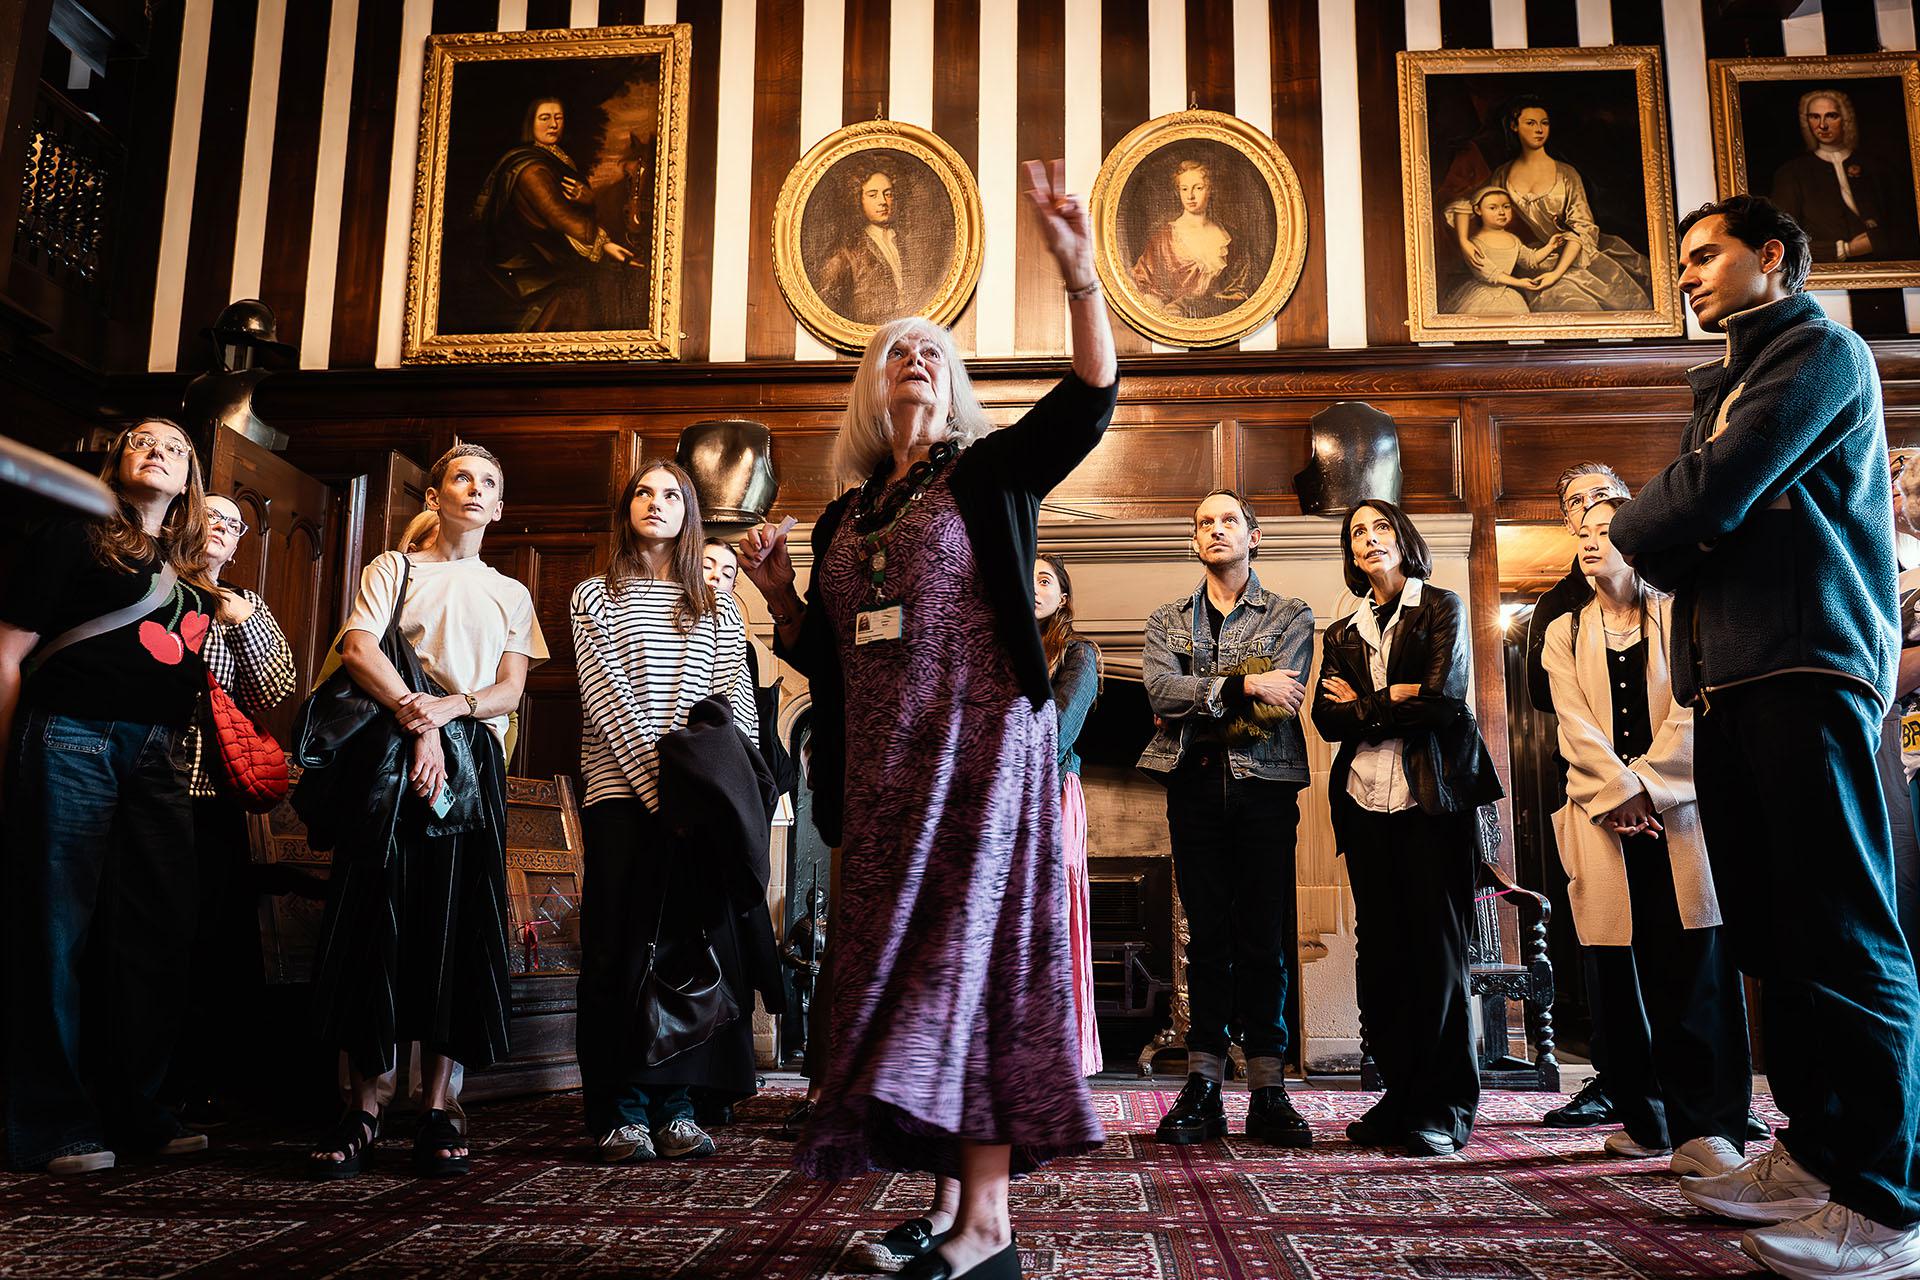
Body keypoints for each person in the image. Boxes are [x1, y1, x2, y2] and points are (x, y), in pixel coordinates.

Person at [737, 159, 1116, 1280]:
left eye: (936, 351)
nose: (917, 358)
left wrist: (1081, 273)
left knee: (973, 971)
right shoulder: (847, 514)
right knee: (909, 986)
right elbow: (839, 654)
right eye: (899, 348)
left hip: (984, 760)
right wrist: (780, 597)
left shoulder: (992, 475)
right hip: (885, 785)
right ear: (870, 384)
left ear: (954, 388)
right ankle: (953, 1210)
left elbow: (1089, 399)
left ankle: (988, 1223)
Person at [1609, 194, 1920, 1278]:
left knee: (1843, 936)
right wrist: (1691, 519)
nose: (1687, 274)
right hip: (1739, 680)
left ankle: (1884, 1199)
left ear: (1773, 257)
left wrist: (1676, 519)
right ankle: (1816, 1153)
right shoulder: (1740, 375)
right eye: (1683, 260)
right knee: (1778, 943)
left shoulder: (1818, 352)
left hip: (1808, 668)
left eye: (1706, 255)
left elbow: (1687, 506)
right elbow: (1693, 519)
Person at [306, 443, 548, 1180]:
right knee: (375, 925)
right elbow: (356, 650)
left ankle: (440, 1105)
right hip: (389, 760)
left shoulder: (510, 592)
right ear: (436, 495)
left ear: (500, 508)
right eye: (461, 478)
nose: (474, 490)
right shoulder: (393, 568)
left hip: (475, 771)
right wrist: (426, 722)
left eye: (489, 484)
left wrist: (450, 713)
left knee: (457, 931)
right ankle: (366, 1106)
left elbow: (509, 692)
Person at [0, 418, 219, 1174]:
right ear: (116, 461)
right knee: (55, 930)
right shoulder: (69, 537)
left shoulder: (188, 574)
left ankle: (136, 1109)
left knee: (153, 933)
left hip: (157, 756)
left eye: (173, 446)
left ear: (189, 476)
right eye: (140, 441)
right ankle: (51, 1123)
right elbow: (6, 655)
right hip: (70, 739)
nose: (156, 449)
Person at [1542, 495, 1751, 1176]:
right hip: (1606, 820)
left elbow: (1694, 711)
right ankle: (1647, 1119)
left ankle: (1709, 1128)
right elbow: (1573, 726)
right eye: (1583, 534)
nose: (1592, 542)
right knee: (1617, 977)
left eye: (1607, 532)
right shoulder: (1564, 632)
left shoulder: (1679, 614)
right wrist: (1618, 793)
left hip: (1678, 818)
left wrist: (1650, 786)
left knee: (1694, 973)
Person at [571, 462, 762, 1165]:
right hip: (623, 799)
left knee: (687, 953)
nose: (656, 503)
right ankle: (618, 1112)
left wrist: (715, 803)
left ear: (690, 515)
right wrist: (661, 804)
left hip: (696, 810)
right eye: (643, 493)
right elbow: (608, 701)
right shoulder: (596, 595)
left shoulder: (719, 603)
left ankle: (679, 1108)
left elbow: (730, 710)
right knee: (617, 952)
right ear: (626, 510)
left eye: (671, 494)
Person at [1311, 499, 1502, 1158]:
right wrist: (1394, 697)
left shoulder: (1442, 606)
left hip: (1433, 802)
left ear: (1403, 539)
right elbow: (1325, 721)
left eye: (1380, 527)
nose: (1369, 539)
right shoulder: (1341, 631)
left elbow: (1444, 700)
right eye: (1357, 532)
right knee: (1384, 960)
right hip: (1365, 806)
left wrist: (1369, 703)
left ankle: (1446, 1106)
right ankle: (1400, 1094)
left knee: (1437, 956)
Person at [1137, 491, 1314, 1148]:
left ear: (1254, 536)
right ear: (1194, 541)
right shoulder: (1165, 620)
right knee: (1206, 938)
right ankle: (1204, 1084)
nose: (1216, 529)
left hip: (1265, 789)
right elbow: (1158, 690)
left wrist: (1199, 697)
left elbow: (1283, 703)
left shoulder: (1290, 612)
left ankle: (1269, 1088)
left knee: (1263, 940)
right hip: (1191, 788)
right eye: (1204, 522)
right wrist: (1244, 683)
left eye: (1228, 520)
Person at [173, 493, 298, 1127]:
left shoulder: (245, 604)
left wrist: (242, 621)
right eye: (213, 516)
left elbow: (274, 687)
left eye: (235, 523)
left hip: (214, 795)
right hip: (144, 785)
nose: (224, 528)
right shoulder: (158, 590)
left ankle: (205, 1084)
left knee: (213, 938)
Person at [1443, 95, 1653, 313]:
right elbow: (1466, 204)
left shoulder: (1566, 174)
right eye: (1530, 123)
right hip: (1536, 260)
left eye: (1544, 123)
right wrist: (1464, 242)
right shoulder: (1502, 175)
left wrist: (1555, 273)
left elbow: (1581, 229)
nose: (1539, 130)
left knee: (1585, 306)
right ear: (1514, 126)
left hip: (1576, 258)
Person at [472, 96, 640, 332]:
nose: (553, 124)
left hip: (553, 252)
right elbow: (557, 214)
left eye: (558, 118)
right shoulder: (531, 168)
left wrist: (588, 198)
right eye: (545, 118)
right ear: (530, 123)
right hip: (531, 263)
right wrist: (603, 243)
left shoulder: (555, 156)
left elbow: (574, 204)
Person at [1033, 553, 1102, 1078]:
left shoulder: (1079, 654)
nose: (1033, 587)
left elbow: (1056, 730)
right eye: (1025, 577)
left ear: (1064, 598)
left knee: (1050, 921)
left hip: (1050, 795)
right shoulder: (992, 649)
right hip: (997, 797)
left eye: (1045, 580)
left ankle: (1054, 1053)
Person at [1770, 90, 1906, 264]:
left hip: (1884, 272)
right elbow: (1782, 240)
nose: (1822, 125)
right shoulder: (1791, 173)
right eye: (1814, 117)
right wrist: (1845, 249)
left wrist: (1880, 241)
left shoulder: (1876, 168)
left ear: (1846, 119)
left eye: (1831, 116)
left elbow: (1904, 226)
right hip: (1828, 280)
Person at [1128, 159, 1254, 319]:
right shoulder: (1164, 239)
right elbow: (1141, 281)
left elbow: (1239, 292)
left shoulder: (1230, 239)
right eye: (1184, 189)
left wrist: (1191, 304)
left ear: (1210, 190)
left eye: (1198, 188)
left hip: (1217, 323)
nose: (1190, 196)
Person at [1440, 187, 1576, 316]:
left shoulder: (1513, 239)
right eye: (1493, 208)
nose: (1501, 212)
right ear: (1478, 210)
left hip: (1507, 295)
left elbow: (1529, 260)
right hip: (1482, 297)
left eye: (1506, 207)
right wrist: (1519, 282)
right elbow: (1488, 273)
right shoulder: (1475, 242)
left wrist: (1550, 246)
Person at [817, 169, 917, 325]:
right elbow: (828, 303)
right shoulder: (847, 251)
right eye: (872, 195)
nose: (883, 201)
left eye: (888, 194)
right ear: (858, 200)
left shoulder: (906, 242)